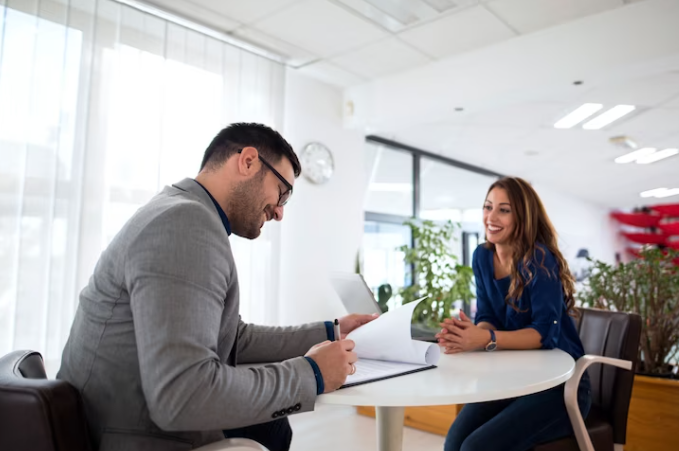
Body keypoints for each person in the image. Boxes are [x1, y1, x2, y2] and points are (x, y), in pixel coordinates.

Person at [57, 123, 376, 451]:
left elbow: (234, 338)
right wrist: (312, 374)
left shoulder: (180, 211)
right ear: (248, 161)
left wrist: (332, 332)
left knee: (272, 427)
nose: (280, 212)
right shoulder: (185, 224)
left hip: (113, 420)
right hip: (129, 436)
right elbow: (182, 394)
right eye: (282, 193)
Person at [436, 176, 591, 451]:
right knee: (454, 443)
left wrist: (484, 339)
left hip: (561, 386)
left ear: (523, 217)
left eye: (503, 210)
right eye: (487, 206)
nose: (491, 217)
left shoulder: (539, 259)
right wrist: (470, 335)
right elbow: (488, 315)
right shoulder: (482, 256)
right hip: (515, 377)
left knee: (475, 448)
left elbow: (545, 333)